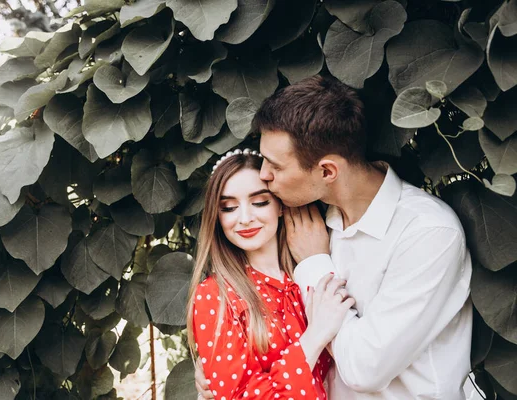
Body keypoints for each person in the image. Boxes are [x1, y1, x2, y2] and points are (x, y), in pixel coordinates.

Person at [197, 75, 473, 399]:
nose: (264, 175)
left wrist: (315, 264)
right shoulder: (306, 218)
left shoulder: (427, 233)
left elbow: (364, 369)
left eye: (274, 166)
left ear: (327, 171)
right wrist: (231, 379)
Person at [187, 148, 355, 399]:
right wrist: (314, 337)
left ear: (280, 205)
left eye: (260, 202)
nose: (244, 218)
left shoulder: (306, 276)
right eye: (229, 207)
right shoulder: (214, 295)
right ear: (217, 217)